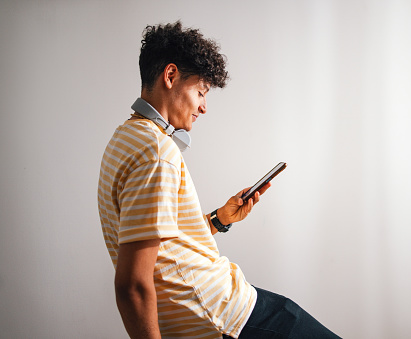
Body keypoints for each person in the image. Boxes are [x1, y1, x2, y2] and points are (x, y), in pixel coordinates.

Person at [98, 21, 341, 339]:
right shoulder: (157, 152)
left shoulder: (126, 138)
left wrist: (219, 218)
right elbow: (131, 285)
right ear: (170, 77)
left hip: (221, 312)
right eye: (200, 92)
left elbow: (162, 241)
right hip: (225, 317)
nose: (203, 106)